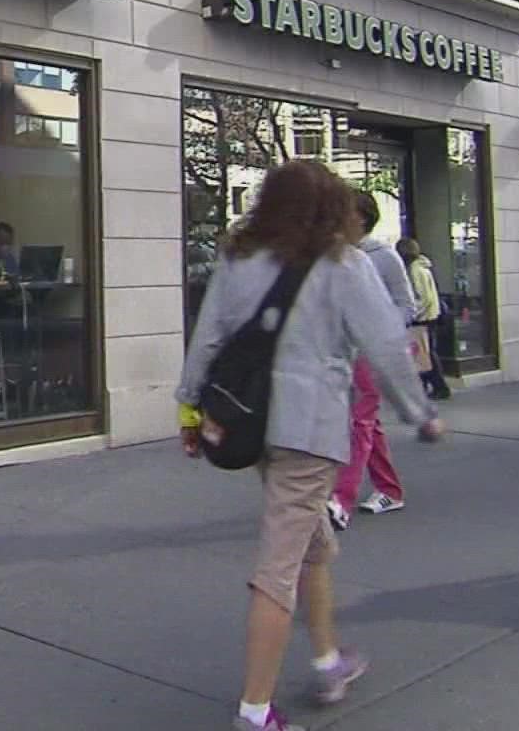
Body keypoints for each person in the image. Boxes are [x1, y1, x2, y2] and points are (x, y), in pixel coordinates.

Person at [178, 161, 444, 729]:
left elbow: (209, 337)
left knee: (312, 543)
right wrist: (420, 413)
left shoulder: (238, 258)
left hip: (251, 421)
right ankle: (255, 713)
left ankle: (328, 661)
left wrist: (190, 407)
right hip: (310, 427)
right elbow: (387, 345)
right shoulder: (343, 263)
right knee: (280, 564)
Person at [329, 191, 416, 529]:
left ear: (360, 218)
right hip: (343, 351)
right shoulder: (337, 255)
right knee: (368, 423)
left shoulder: (383, 257)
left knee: (359, 422)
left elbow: (407, 304)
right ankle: (389, 490)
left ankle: (341, 499)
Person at [399, 238, 450, 400]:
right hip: (429, 316)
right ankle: (432, 386)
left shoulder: (415, 270)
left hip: (422, 319)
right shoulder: (422, 267)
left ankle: (437, 386)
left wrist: (412, 315)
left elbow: (421, 298)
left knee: (424, 355)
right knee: (425, 354)